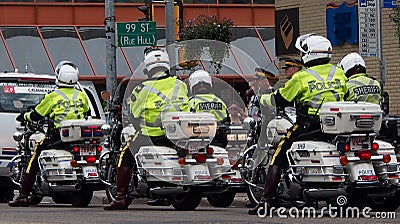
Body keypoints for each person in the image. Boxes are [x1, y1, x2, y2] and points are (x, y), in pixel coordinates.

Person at [249, 34, 348, 215]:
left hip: (309, 127)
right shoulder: (339, 72)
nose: (301, 55)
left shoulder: (302, 77)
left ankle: (266, 201)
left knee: (278, 153)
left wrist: (261, 99)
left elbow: (280, 99)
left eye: (302, 52)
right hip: (336, 127)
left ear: (309, 54)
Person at [104, 48, 189, 210]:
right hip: (178, 135)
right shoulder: (180, 84)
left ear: (148, 67)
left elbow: (133, 113)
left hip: (153, 134)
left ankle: (120, 197)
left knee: (126, 154)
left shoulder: (142, 89)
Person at [9, 61, 89, 207]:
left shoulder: (53, 96)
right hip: (80, 136)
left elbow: (36, 115)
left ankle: (23, 195)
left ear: (59, 76)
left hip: (59, 136)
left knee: (35, 156)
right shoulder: (81, 95)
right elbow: (86, 111)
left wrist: (25, 116)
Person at [188, 69, 229, 147]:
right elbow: (226, 121)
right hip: (219, 140)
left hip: (198, 140)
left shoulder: (191, 102)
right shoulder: (220, 101)